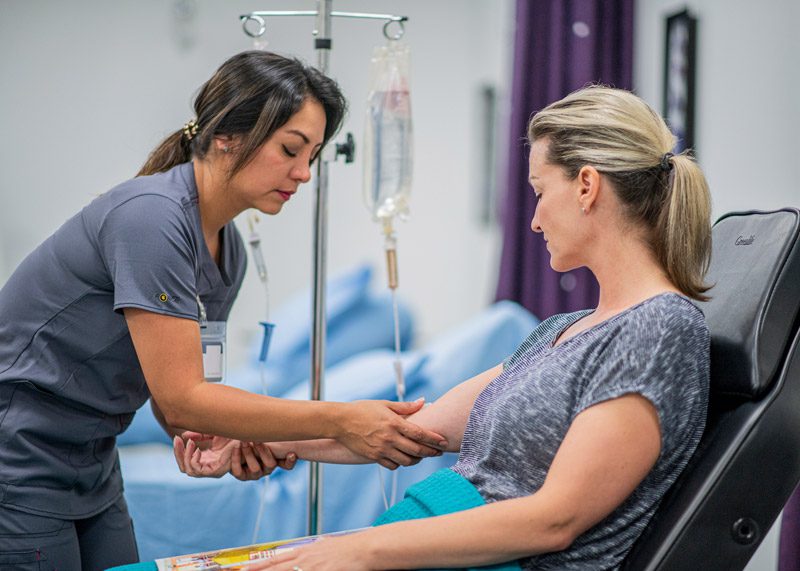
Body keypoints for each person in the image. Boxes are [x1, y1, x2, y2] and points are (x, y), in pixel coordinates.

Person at [177, 85, 713, 570]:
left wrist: (354, 549)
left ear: (587, 187)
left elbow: (554, 521)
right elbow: (419, 429)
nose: (534, 219)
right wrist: (263, 439)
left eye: (539, 191)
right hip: (417, 541)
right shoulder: (566, 328)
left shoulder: (660, 329)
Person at [0, 50, 447, 571]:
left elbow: (183, 406)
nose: (303, 174)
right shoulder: (151, 219)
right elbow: (186, 399)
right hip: (18, 461)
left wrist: (222, 440)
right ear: (225, 135)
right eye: (290, 150)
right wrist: (344, 418)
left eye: (313, 156)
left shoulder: (224, 250)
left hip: (92, 464)